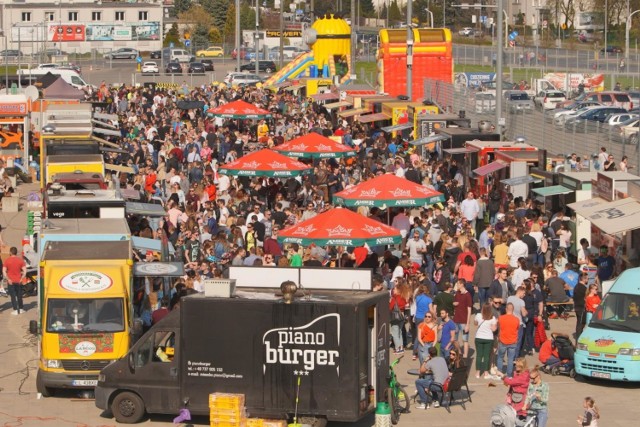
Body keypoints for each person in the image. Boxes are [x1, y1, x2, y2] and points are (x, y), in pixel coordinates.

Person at [474, 302, 498, 379]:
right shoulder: (493, 318)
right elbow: (494, 329)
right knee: (487, 356)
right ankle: (486, 373)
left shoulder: (478, 315)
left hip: (479, 337)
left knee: (479, 355)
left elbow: (475, 323)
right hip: (488, 338)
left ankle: (477, 373)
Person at [496, 302, 520, 377]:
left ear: (506, 309)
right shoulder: (517, 319)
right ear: (513, 310)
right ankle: (509, 375)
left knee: (500, 357)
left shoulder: (501, 318)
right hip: (513, 342)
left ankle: (499, 373)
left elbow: (498, 328)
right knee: (510, 359)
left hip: (503, 341)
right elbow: (517, 329)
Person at [3, 247, 27, 315]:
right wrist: (22, 278)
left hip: (11, 281)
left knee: (13, 296)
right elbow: (25, 271)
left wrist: (8, 279)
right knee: (19, 295)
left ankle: (16, 310)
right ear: (16, 252)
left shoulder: (7, 260)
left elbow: (4, 271)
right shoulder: (20, 260)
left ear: (10, 252)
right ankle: (21, 308)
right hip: (18, 281)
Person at [453, 279, 472, 358]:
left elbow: (469, 310)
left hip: (464, 321)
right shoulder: (457, 293)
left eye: (457, 283)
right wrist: (454, 303)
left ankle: (465, 355)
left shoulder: (468, 295)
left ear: (462, 284)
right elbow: (454, 303)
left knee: (465, 339)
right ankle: (459, 352)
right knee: (454, 339)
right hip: (456, 319)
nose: (456, 285)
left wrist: (468, 324)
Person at [389, 282, 408, 354]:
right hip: (402, 316)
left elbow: (390, 307)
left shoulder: (394, 298)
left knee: (394, 333)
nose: (393, 290)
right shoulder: (403, 297)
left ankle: (397, 349)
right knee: (399, 332)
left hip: (395, 317)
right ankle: (401, 347)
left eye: (394, 289)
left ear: (398, 290)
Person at [573, 272, 589, 339]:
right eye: (587, 279)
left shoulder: (576, 286)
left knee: (581, 322)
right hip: (581, 308)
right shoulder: (583, 288)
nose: (588, 280)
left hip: (577, 307)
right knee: (580, 323)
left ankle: (579, 335)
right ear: (584, 279)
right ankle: (578, 337)